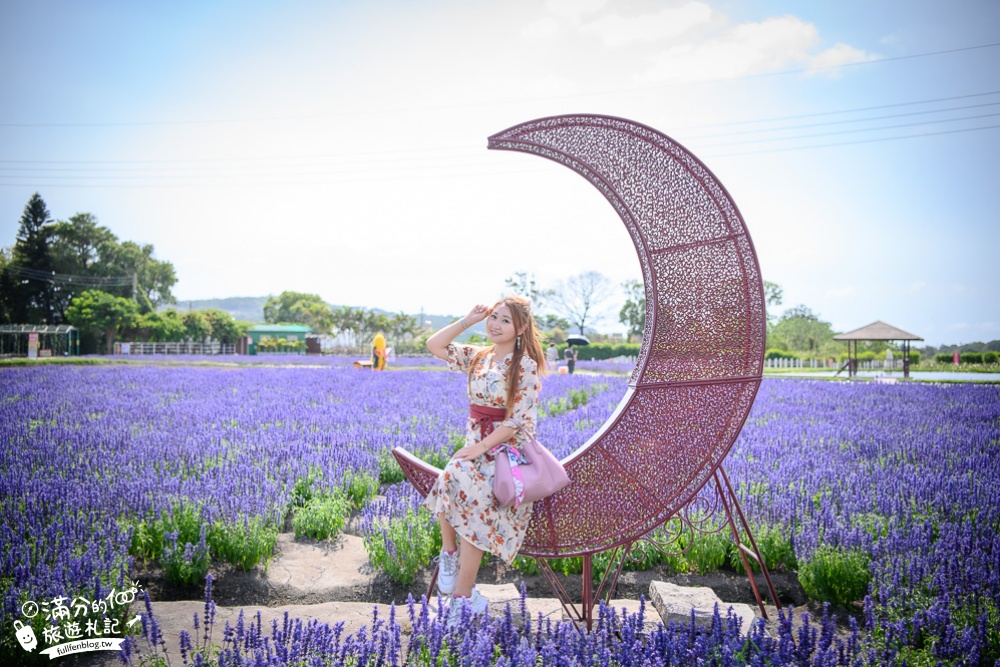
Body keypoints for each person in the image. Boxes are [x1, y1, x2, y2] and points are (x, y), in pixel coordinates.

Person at [423, 296, 546, 624]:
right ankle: (449, 556)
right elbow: (434, 344)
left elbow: (518, 420)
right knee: (452, 475)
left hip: (506, 454)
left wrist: (481, 448)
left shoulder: (525, 365)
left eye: (505, 320)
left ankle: (462, 598)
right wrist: (467, 320)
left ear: (520, 328)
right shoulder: (478, 357)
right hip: (474, 447)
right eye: (493, 317)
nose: (496, 324)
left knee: (474, 499)